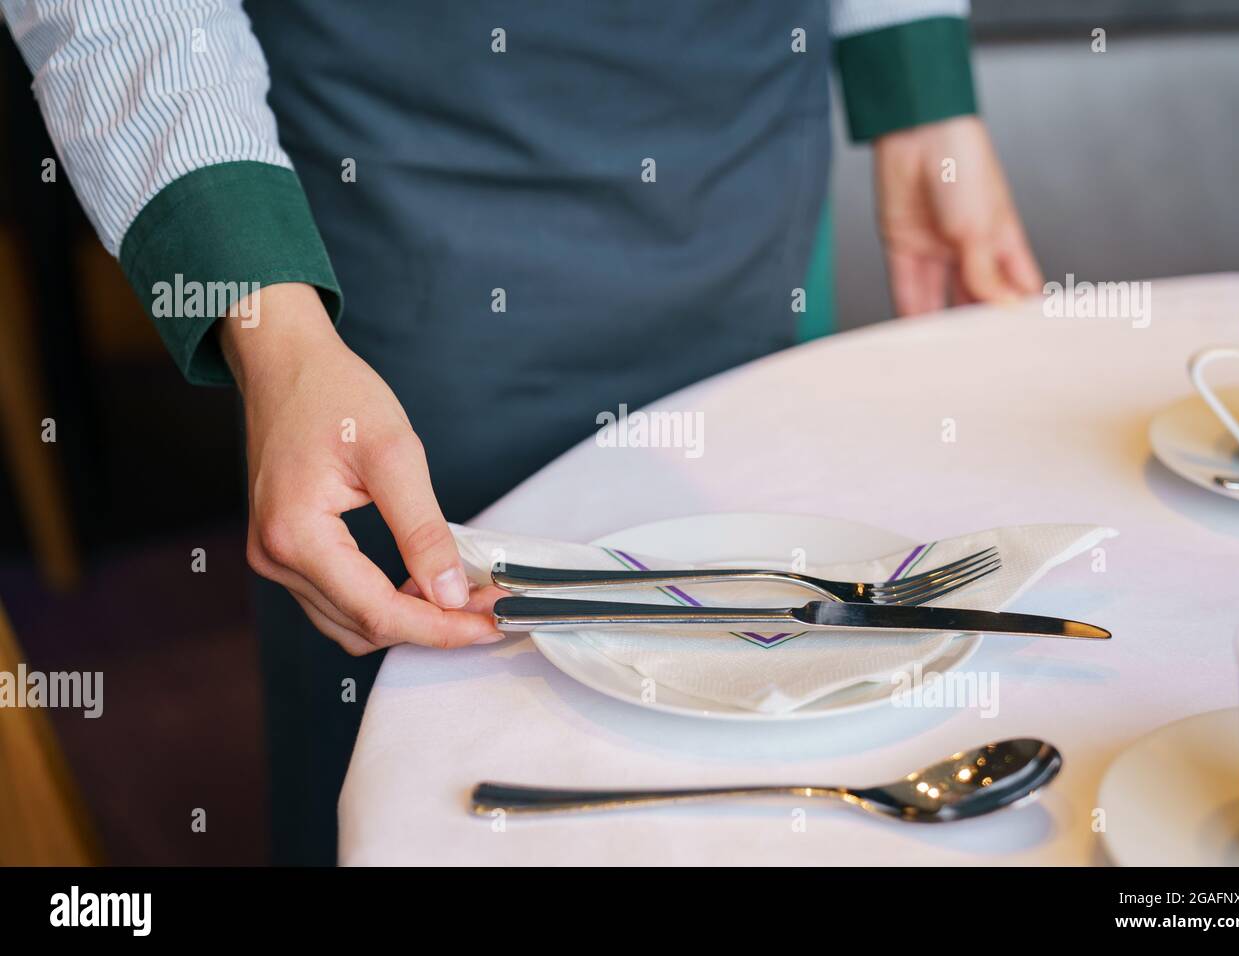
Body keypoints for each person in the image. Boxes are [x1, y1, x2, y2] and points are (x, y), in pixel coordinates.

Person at [4, 0, 1040, 863]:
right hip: (407, 198)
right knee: (430, 742)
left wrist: (917, 86)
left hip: (745, 159)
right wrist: (268, 317)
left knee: (770, 697)